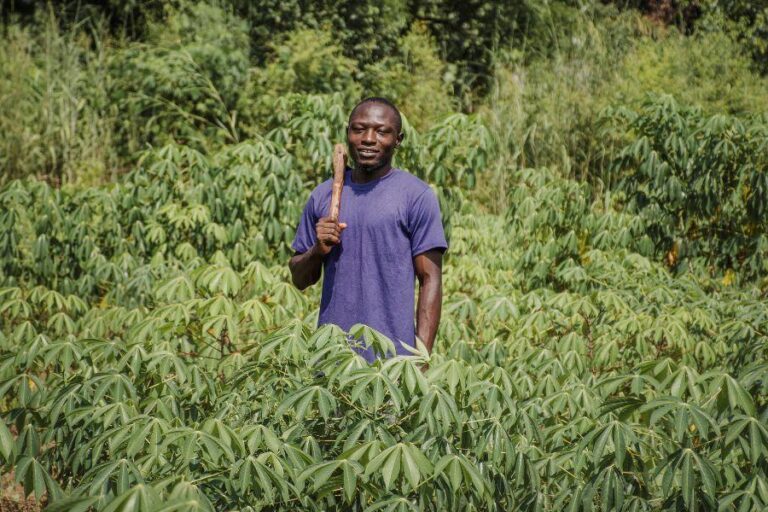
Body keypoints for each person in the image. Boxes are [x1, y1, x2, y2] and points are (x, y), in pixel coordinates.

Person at [289, 97, 447, 362]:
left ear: (398, 139)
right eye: (359, 129)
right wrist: (317, 250)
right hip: (332, 358)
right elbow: (300, 279)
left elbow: (430, 279)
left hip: (393, 362)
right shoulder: (323, 196)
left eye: (382, 131)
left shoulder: (416, 196)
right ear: (348, 133)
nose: (368, 139)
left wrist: (421, 357)